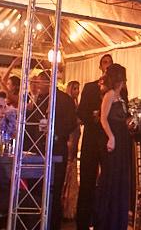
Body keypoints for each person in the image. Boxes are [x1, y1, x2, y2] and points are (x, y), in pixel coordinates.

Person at [25, 70, 79, 230]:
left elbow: (72, 123)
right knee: (36, 188)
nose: (38, 86)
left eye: (40, 82)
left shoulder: (64, 100)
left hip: (57, 149)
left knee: (54, 189)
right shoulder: (38, 100)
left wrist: (55, 131)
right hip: (38, 150)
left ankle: (53, 224)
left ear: (49, 82)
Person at [76, 52, 113, 230]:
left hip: (107, 139)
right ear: (100, 66)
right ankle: (83, 222)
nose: (107, 65)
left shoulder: (117, 89)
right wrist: (93, 117)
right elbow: (81, 112)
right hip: (91, 138)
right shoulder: (90, 87)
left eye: (110, 63)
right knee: (87, 181)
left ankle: (104, 221)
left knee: (107, 180)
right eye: (104, 62)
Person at [93, 64, 131, 230]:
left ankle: (118, 221)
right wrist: (111, 137)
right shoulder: (109, 95)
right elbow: (103, 118)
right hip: (114, 138)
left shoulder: (119, 96)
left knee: (120, 179)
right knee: (111, 178)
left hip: (122, 138)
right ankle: (107, 221)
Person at [62, 80, 81, 220]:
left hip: (76, 138)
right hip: (70, 139)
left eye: (78, 89)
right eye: (74, 88)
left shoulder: (77, 105)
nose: (77, 91)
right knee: (68, 170)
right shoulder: (69, 106)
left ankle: (70, 207)